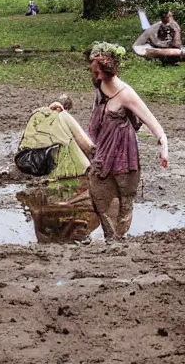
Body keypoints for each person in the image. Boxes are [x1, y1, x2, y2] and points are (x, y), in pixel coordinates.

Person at [87, 43, 169, 239]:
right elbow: (94, 124)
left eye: (98, 73)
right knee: (99, 192)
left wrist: (163, 146)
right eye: (93, 72)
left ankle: (118, 239)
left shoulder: (126, 94)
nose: (95, 77)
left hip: (124, 154)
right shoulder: (100, 89)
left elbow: (153, 123)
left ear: (109, 70)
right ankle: (111, 236)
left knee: (125, 200)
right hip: (103, 153)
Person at [16, 94, 95, 181]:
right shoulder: (64, 115)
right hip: (53, 163)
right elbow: (87, 145)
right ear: (67, 108)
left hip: (25, 160)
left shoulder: (36, 114)